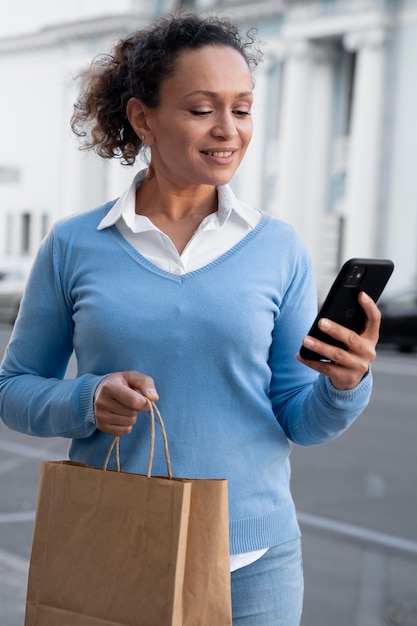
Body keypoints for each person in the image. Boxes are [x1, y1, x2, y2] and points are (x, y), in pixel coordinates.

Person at [0, 13, 381, 626]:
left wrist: (342, 386)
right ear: (142, 118)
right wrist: (86, 400)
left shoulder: (278, 247)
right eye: (203, 109)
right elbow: (12, 391)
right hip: (115, 542)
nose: (229, 130)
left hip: (258, 563)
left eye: (244, 108)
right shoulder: (73, 245)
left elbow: (298, 416)